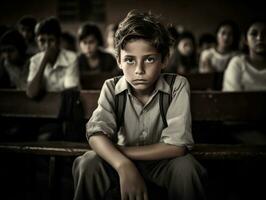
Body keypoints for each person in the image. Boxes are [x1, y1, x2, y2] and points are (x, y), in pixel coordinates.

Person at [72, 10, 207, 200]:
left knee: (187, 168)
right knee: (88, 162)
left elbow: (177, 146)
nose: (139, 70)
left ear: (165, 59)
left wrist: (121, 152)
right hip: (119, 161)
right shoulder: (111, 87)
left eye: (150, 59)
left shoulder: (177, 85)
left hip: (163, 163)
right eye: (129, 60)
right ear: (118, 60)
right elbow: (96, 134)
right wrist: (123, 164)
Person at [26, 17, 79, 98]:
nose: (47, 45)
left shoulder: (71, 58)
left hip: (66, 105)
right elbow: (31, 93)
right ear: (37, 41)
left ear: (59, 41)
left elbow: (70, 91)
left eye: (51, 40)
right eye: (42, 41)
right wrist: (44, 61)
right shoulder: (35, 60)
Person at [223, 19, 266, 91]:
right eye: (254, 34)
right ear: (246, 40)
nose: (260, 38)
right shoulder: (237, 63)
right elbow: (232, 96)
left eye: (265, 33)